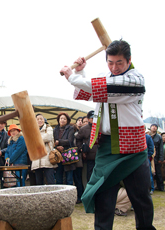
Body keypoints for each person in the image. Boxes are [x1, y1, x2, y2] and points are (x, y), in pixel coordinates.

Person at [60, 39, 156, 229]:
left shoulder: (135, 79)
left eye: (119, 62)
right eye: (110, 62)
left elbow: (105, 89)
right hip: (106, 147)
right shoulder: (105, 76)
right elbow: (85, 93)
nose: (115, 67)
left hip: (132, 148)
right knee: (103, 198)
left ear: (129, 61)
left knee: (141, 199)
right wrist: (80, 72)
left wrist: (73, 76)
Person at [31, 114, 57, 185]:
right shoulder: (32, 129)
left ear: (44, 120)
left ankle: (53, 195)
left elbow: (48, 137)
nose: (39, 120)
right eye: (38, 119)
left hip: (47, 158)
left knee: (50, 180)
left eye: (41, 119)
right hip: (37, 159)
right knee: (39, 182)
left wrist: (36, 138)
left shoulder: (48, 128)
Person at [53, 112, 75, 185]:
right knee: (58, 178)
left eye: (64, 119)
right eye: (61, 118)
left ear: (67, 120)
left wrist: (58, 142)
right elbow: (52, 142)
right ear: (58, 120)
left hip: (68, 155)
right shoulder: (55, 129)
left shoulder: (70, 128)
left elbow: (69, 141)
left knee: (69, 178)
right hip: (57, 155)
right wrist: (57, 147)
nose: (62, 120)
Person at [76, 110, 97, 184]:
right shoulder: (83, 129)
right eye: (92, 118)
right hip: (89, 157)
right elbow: (78, 139)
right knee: (90, 176)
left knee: (100, 175)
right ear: (88, 119)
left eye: (95, 117)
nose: (94, 119)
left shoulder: (100, 127)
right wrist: (81, 148)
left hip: (100, 155)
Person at [150, 124, 164, 191]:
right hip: (149, 157)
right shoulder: (147, 135)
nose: (154, 128)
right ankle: (151, 187)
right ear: (150, 128)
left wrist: (161, 158)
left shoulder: (159, 137)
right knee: (150, 173)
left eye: (155, 127)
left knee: (158, 173)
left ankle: (160, 187)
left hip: (157, 157)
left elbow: (161, 148)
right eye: (153, 126)